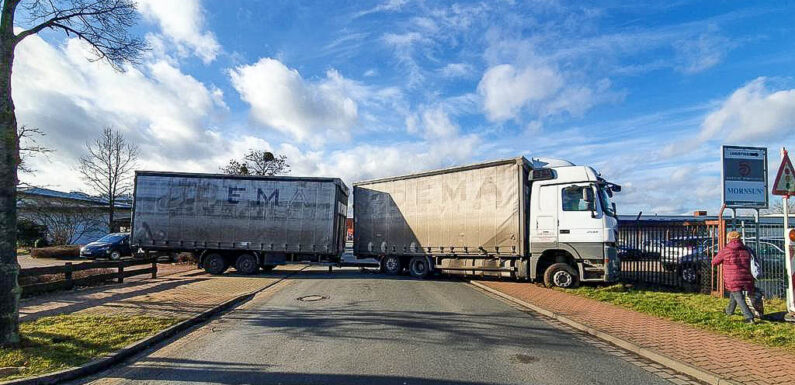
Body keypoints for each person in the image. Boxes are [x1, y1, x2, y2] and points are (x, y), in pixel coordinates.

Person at [711, 231, 756, 323]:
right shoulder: (746, 249)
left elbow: (714, 262)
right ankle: (729, 311)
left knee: (739, 296)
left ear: (729, 239)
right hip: (746, 276)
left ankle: (749, 317)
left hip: (732, 278)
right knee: (734, 294)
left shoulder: (726, 250)